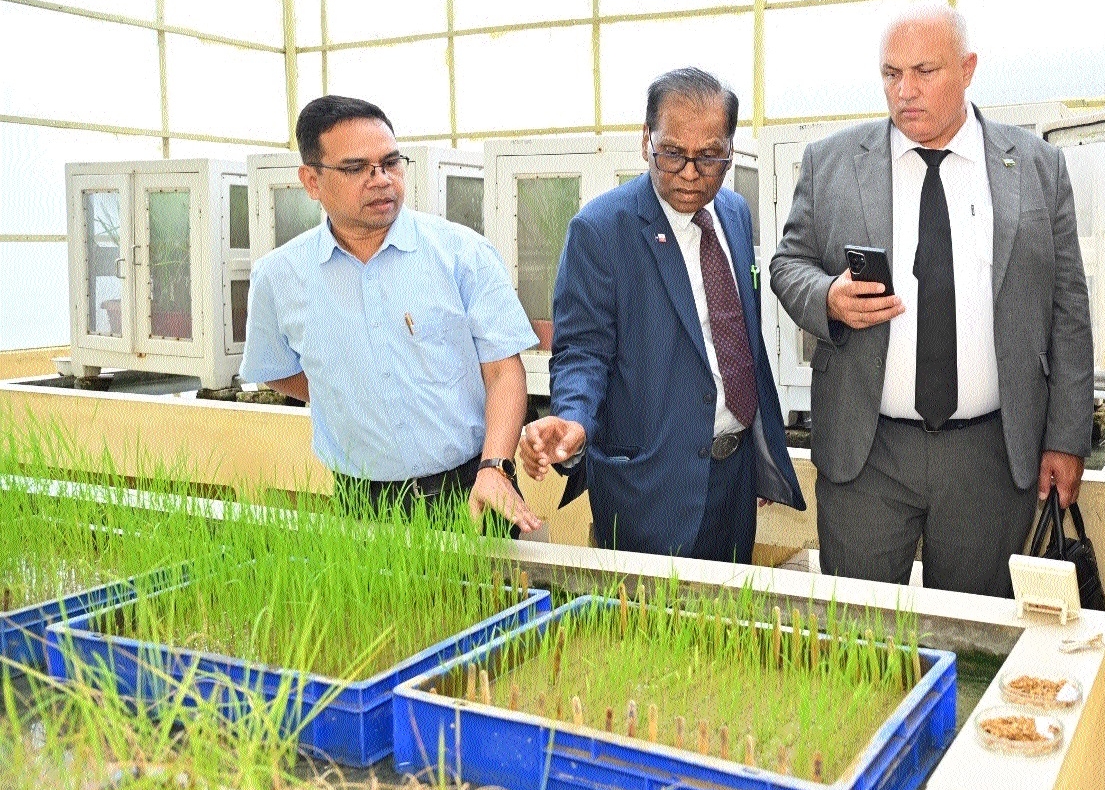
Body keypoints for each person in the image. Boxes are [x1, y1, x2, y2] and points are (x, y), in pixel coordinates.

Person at [769, 5, 1095, 597]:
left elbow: (1067, 308)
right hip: (866, 453)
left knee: (973, 636)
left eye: (924, 71)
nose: (905, 91)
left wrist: (1066, 438)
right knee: (859, 642)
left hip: (990, 456)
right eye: (891, 74)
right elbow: (788, 265)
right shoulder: (832, 163)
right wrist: (829, 299)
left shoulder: (1037, 167)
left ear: (968, 69)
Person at [517, 68, 804, 563]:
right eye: (672, 153)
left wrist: (751, 447)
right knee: (645, 630)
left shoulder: (732, 212)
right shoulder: (601, 229)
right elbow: (582, 350)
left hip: (734, 478)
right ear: (645, 141)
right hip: (647, 482)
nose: (691, 172)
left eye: (710, 155)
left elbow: (736, 336)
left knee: (724, 628)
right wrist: (571, 417)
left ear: (731, 150)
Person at [241, 95, 540, 535]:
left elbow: (503, 371)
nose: (380, 180)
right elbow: (277, 371)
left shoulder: (461, 253)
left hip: (474, 487)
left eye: (390, 163)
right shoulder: (278, 277)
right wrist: (353, 393)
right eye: (356, 168)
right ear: (311, 181)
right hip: (364, 503)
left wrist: (496, 465)